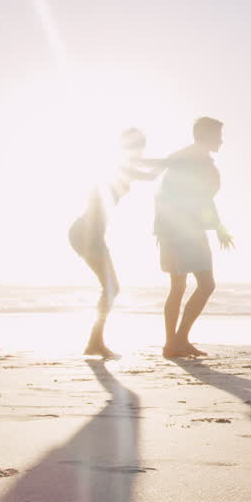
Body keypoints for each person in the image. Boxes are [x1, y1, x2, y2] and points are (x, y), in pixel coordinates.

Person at [69, 128, 164, 360]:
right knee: (111, 288)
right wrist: (172, 162)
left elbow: (144, 167)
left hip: (91, 234)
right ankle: (95, 342)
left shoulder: (124, 166)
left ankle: (95, 341)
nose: (139, 151)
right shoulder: (120, 166)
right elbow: (150, 174)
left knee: (111, 288)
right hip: (87, 234)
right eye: (137, 146)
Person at [155, 117, 232, 358]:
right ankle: (177, 340)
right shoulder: (194, 161)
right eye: (218, 135)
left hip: (175, 229)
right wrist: (218, 227)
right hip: (185, 231)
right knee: (205, 284)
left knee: (178, 287)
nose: (221, 140)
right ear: (206, 136)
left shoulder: (186, 159)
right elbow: (201, 199)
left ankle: (174, 343)